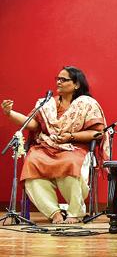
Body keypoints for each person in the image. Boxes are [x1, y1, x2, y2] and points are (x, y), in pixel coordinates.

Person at [1, 66, 108, 224]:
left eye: (63, 79)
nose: (58, 82)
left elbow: (98, 133)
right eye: (57, 79)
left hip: (75, 147)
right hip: (47, 147)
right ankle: (54, 212)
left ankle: (75, 212)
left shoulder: (87, 104)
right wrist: (9, 113)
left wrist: (71, 136)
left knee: (70, 163)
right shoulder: (47, 103)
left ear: (76, 84)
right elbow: (32, 124)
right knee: (31, 162)